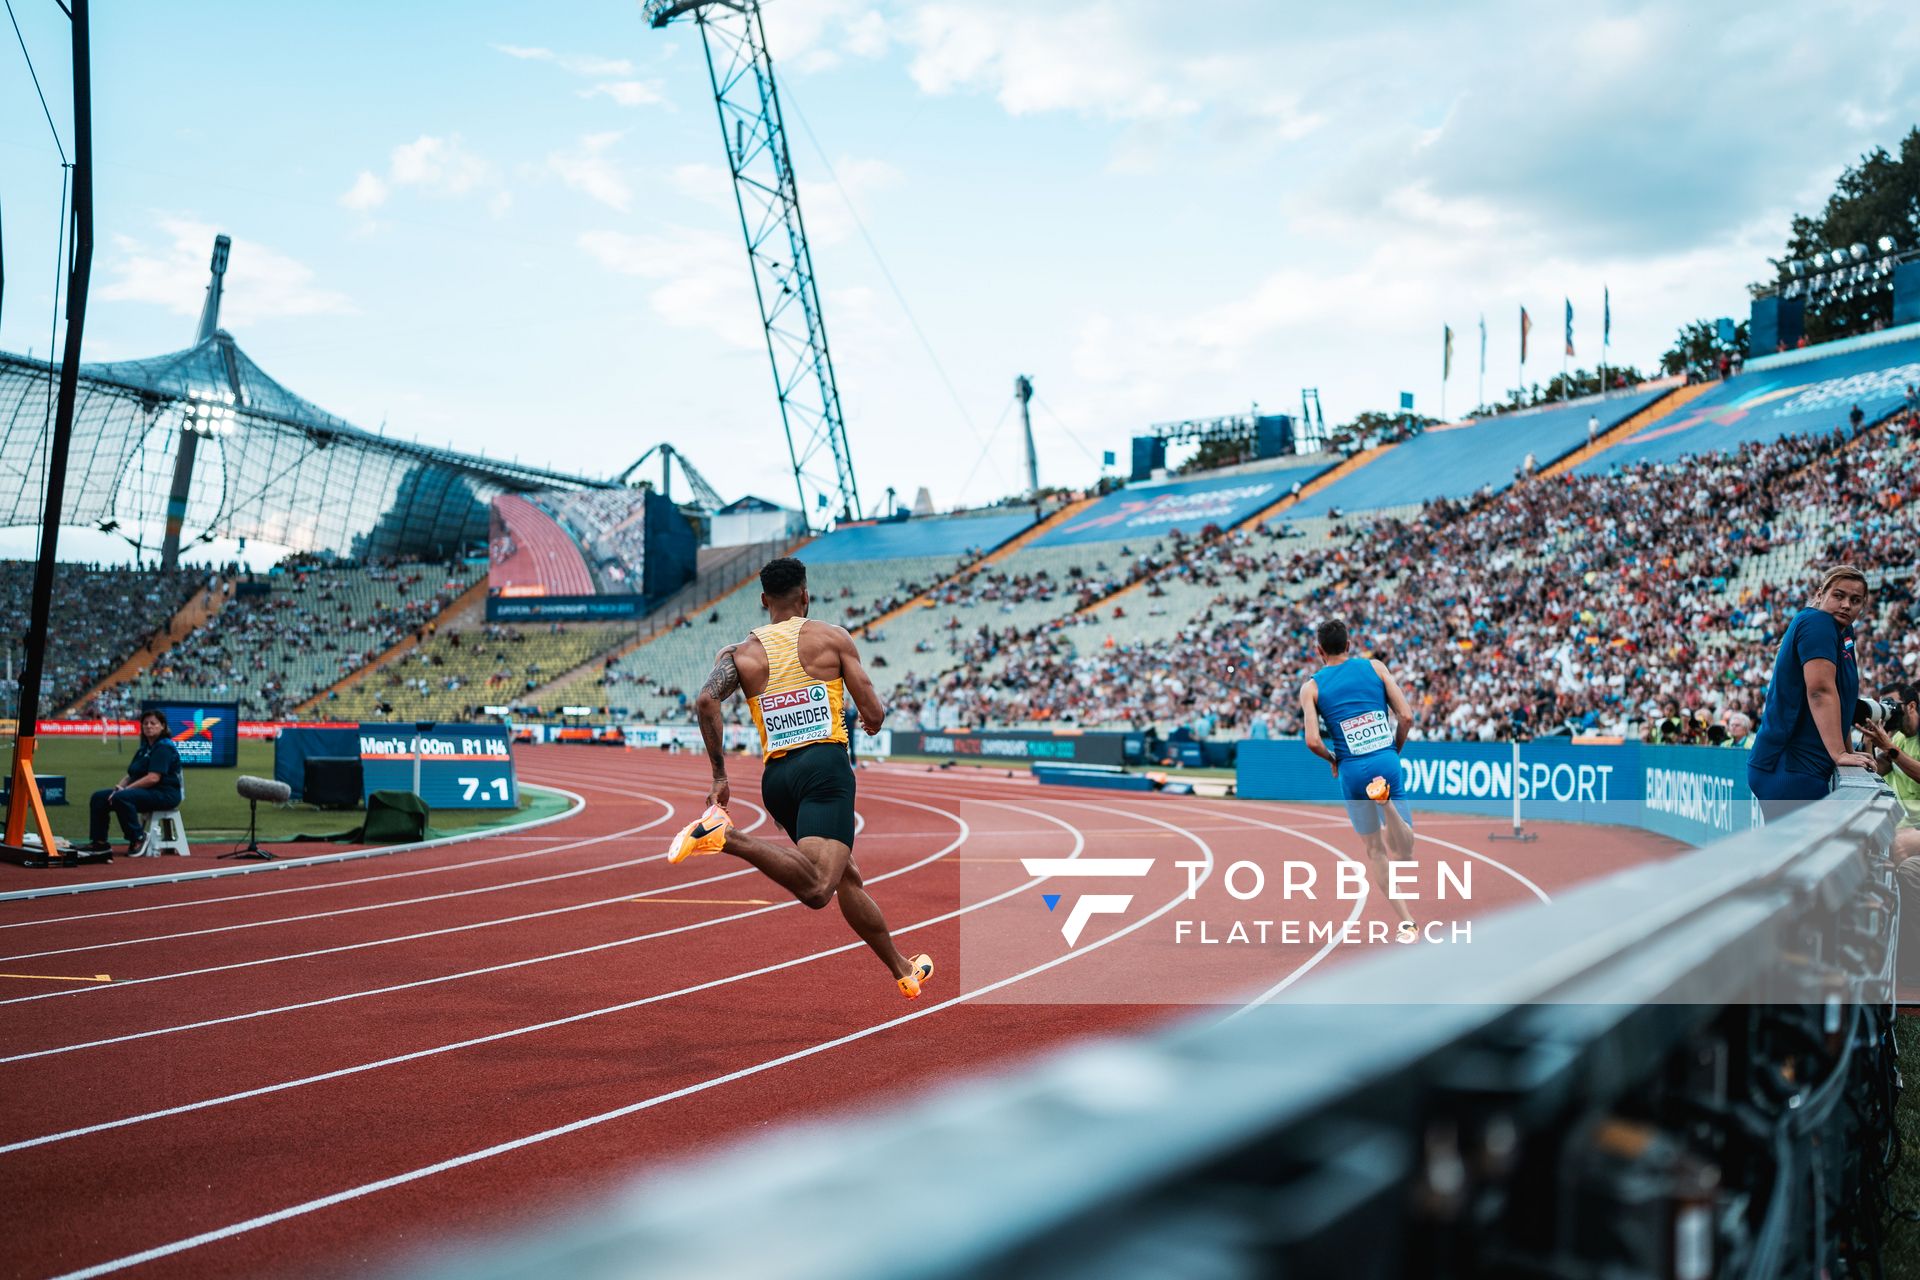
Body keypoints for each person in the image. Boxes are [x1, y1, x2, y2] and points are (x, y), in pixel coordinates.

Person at [670, 558, 934, 999]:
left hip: (777, 782)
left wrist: (719, 775)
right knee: (817, 887)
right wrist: (869, 722)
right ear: (806, 596)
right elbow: (873, 713)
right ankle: (726, 837)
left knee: (846, 876)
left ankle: (903, 968)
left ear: (763, 601)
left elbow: (705, 703)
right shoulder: (831, 638)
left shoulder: (738, 654)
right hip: (824, 771)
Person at [1299, 617, 1422, 943]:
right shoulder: (1376, 667)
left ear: (1318, 650)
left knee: (1375, 851)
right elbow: (1407, 716)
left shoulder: (1311, 687)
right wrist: (1394, 749)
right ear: (1349, 645)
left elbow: (1312, 740)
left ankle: (1407, 921)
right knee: (1405, 851)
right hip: (1385, 759)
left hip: (1352, 770)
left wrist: (1333, 760)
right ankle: (1388, 808)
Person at [1746, 565, 1875, 821]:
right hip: (1788, 767)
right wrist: (1839, 753)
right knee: (1803, 857)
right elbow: (1820, 692)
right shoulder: (1817, 622)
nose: (1846, 605)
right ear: (1821, 594)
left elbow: (1843, 699)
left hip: (1804, 765)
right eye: (1838, 595)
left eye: (1855, 600)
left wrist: (1848, 749)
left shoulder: (1842, 630)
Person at [79, 708, 183, 855]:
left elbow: (153, 778)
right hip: (146, 791)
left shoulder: (164, 747)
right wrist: (118, 788)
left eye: (153, 723)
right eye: (145, 723)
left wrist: (125, 791)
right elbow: (130, 775)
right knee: (99, 797)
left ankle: (138, 837)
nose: (148, 726)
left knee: (123, 797)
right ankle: (99, 842)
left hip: (165, 793)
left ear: (163, 726)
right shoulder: (144, 748)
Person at [1859, 681, 1920, 863]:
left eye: (1893, 705)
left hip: (1913, 829)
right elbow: (1875, 772)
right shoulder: (1899, 738)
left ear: (1911, 706)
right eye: (1885, 706)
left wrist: (1889, 747)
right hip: (1899, 825)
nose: (1889, 711)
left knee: (1896, 848)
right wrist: (1869, 741)